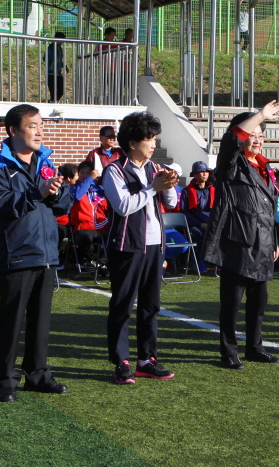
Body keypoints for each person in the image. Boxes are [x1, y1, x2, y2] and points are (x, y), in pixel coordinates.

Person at [0, 104, 73, 402]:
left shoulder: (46, 161)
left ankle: (37, 375)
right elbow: (4, 204)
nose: (39, 130)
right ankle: (6, 380)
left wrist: (58, 191)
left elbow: (63, 206)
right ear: (13, 130)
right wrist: (39, 192)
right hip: (18, 253)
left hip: (46, 252)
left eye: (40, 125)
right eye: (32, 125)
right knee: (12, 319)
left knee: (41, 320)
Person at [202, 101, 279, 370]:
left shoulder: (263, 166)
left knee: (259, 302)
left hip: (262, 243)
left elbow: (268, 209)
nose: (257, 140)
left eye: (261, 135)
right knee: (232, 302)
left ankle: (255, 347)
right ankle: (228, 351)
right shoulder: (231, 164)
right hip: (237, 241)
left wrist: (274, 241)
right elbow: (229, 141)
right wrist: (259, 115)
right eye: (253, 134)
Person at [102, 111, 179, 384]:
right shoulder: (114, 170)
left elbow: (169, 203)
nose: (154, 144)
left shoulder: (154, 168)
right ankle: (121, 361)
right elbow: (123, 207)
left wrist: (168, 185)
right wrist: (151, 188)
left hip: (155, 245)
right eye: (149, 139)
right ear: (133, 143)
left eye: (155, 139)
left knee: (151, 305)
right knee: (123, 305)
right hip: (126, 246)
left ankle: (147, 359)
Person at [68, 160, 108, 266]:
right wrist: (90, 178)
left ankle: (103, 262)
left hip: (101, 225)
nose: (85, 175)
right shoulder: (73, 188)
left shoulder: (99, 189)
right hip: (83, 226)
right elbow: (77, 196)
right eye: (82, 172)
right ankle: (95, 260)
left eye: (88, 173)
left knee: (116, 234)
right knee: (85, 239)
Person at [181, 160, 214, 271]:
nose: (204, 174)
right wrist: (200, 224)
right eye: (201, 172)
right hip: (195, 223)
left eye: (206, 171)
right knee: (196, 234)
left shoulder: (213, 190)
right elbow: (185, 212)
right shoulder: (187, 191)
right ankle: (199, 261)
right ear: (194, 175)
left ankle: (218, 262)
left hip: (211, 221)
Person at [44, 32, 68, 103]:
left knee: (61, 89)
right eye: (61, 40)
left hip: (58, 72)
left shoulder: (59, 48)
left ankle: (53, 100)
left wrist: (65, 67)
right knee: (53, 89)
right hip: (51, 72)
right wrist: (53, 60)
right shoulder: (51, 47)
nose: (62, 42)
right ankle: (53, 100)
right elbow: (45, 58)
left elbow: (60, 60)